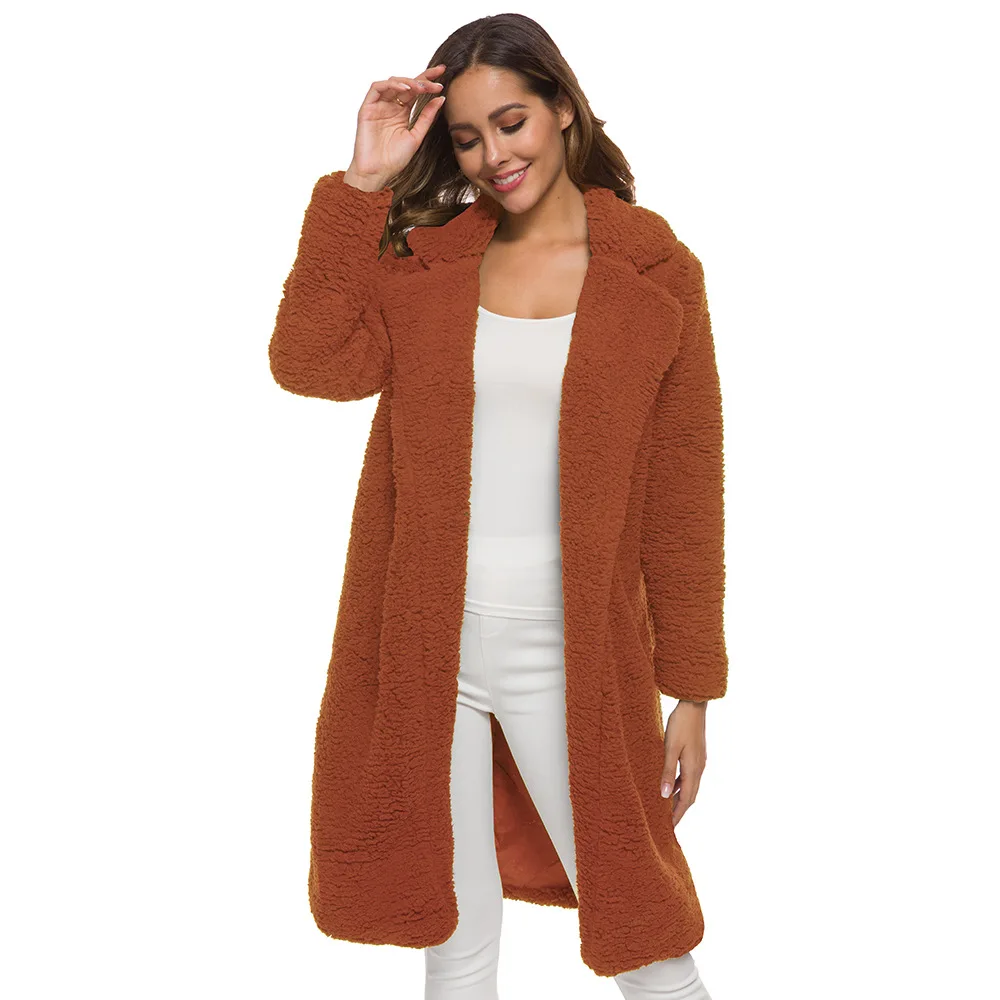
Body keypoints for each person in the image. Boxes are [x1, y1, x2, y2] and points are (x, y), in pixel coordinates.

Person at [269, 14, 727, 1000]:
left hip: (569, 649)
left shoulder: (656, 277)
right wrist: (361, 185)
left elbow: (684, 499)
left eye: (510, 122)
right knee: (456, 941)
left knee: (643, 933)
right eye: (468, 138)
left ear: (561, 107)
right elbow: (307, 360)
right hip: (424, 641)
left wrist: (691, 691)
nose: (492, 157)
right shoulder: (429, 264)